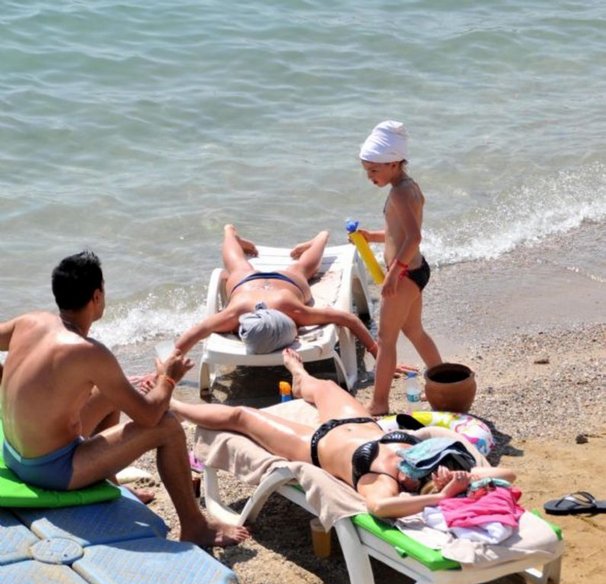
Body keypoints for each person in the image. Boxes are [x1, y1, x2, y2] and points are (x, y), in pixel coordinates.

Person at [0, 250, 249, 547]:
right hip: (50, 470)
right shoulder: (87, 351)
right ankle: (195, 526)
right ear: (96, 296)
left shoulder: (30, 321)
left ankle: (110, 485)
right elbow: (149, 416)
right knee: (168, 427)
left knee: (113, 393)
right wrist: (168, 379)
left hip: (13, 453)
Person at [170, 349, 515, 519]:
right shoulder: (431, 464)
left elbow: (379, 507)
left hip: (314, 443)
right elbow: (508, 474)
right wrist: (463, 478)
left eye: (439, 480)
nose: (443, 473)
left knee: (241, 415)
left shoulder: (387, 482)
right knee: (323, 387)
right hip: (359, 422)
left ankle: (173, 405)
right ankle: (300, 375)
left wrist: (441, 497)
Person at [175, 224, 412, 374]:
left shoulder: (284, 312)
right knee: (250, 265)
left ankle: (319, 237)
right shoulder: (241, 314)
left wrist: (380, 357)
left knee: (299, 268)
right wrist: (378, 355)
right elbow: (347, 318)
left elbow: (348, 319)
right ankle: (231, 233)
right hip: (256, 283)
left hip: (260, 285)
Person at [356, 120, 443, 415]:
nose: (369, 176)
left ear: (393, 162)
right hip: (415, 270)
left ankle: (379, 403)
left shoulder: (400, 193)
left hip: (405, 274)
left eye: (374, 170)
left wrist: (394, 273)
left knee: (385, 339)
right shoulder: (408, 186)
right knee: (415, 330)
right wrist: (371, 237)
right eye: (367, 170)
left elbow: (414, 237)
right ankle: (443, 383)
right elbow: (400, 233)